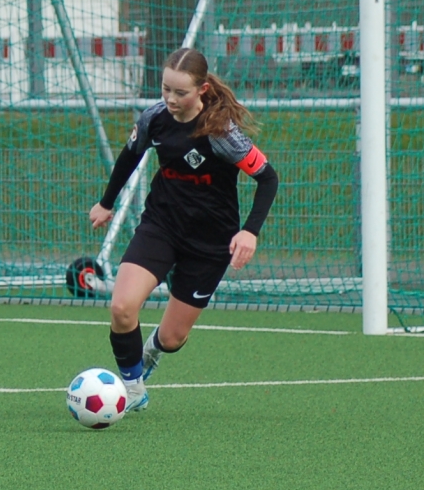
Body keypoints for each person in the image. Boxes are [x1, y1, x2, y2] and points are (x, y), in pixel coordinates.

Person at [89, 46, 280, 408]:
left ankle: (152, 350)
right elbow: (130, 155)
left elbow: (268, 178)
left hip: (209, 241)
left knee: (173, 338)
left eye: (180, 92)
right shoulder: (155, 118)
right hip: (161, 225)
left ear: (202, 89)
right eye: (165, 89)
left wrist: (249, 232)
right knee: (122, 308)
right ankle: (133, 389)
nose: (171, 99)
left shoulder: (221, 133)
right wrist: (107, 202)